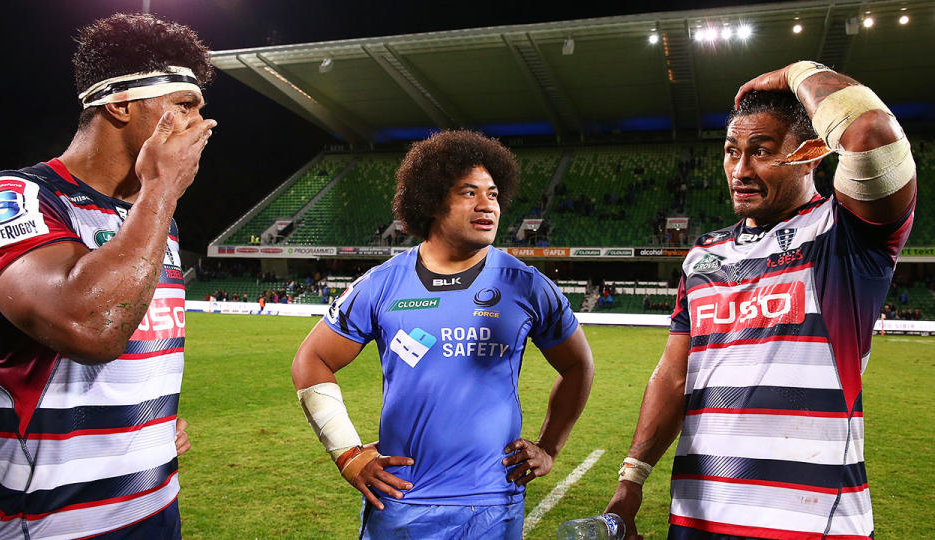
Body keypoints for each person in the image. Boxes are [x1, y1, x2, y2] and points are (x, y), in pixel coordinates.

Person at [605, 61, 915, 539]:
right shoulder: (703, 256)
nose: (740, 170)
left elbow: (872, 134)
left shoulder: (845, 234)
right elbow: (674, 372)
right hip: (695, 519)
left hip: (810, 524)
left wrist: (799, 72)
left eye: (761, 152)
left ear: (811, 154)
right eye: (732, 152)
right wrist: (632, 478)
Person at [0, 13, 216, 538]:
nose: (202, 124)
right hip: (49, 522)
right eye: (183, 105)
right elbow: (90, 327)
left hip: (155, 509)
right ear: (120, 103)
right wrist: (160, 191)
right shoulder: (12, 198)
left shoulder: (156, 220)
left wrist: (145, 429)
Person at [292, 130, 594, 539]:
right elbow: (312, 360)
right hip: (403, 504)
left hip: (494, 501)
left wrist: (550, 447)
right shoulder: (381, 285)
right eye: (469, 193)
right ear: (432, 201)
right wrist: (347, 454)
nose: (487, 205)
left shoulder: (526, 284)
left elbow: (578, 365)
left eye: (493, 193)